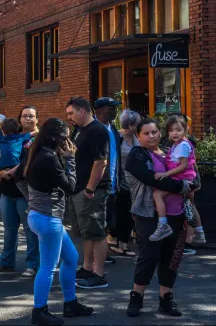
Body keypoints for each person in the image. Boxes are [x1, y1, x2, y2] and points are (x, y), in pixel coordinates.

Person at [17, 118, 94, 325]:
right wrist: (71, 159)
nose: (67, 143)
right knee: (48, 267)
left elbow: (17, 176)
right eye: (65, 138)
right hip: (47, 218)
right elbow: (70, 186)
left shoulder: (35, 151)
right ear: (55, 138)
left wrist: (32, 199)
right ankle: (39, 310)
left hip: (42, 216)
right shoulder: (48, 158)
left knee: (71, 258)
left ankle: (70, 303)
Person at [124, 117, 195, 318]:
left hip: (175, 213)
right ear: (138, 136)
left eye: (154, 132)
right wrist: (183, 186)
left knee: (171, 258)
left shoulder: (170, 152)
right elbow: (150, 179)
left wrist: (192, 182)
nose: (151, 136)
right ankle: (136, 298)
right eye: (146, 133)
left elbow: (191, 171)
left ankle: (166, 299)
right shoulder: (136, 155)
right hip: (148, 214)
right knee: (149, 256)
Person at [65, 97, 110, 289]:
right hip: (77, 188)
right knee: (85, 232)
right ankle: (87, 267)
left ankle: (99, 274)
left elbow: (100, 162)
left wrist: (90, 189)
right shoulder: (79, 130)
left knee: (97, 232)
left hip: (91, 190)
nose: (69, 117)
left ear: (82, 111)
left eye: (71, 113)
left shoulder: (97, 130)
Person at [0, 117, 39, 277]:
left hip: (24, 191)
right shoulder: (15, 139)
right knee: (9, 229)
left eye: (31, 116)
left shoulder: (31, 142)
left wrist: (11, 171)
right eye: (24, 116)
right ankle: (6, 261)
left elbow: (27, 161)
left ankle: (32, 264)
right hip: (7, 189)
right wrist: (0, 171)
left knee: (29, 229)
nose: (27, 119)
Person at [149, 116, 203, 242]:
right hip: (185, 179)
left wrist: (166, 174)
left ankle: (162, 224)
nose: (174, 133)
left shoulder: (182, 145)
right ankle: (199, 232)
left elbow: (183, 165)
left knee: (157, 194)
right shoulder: (178, 144)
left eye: (178, 130)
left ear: (185, 129)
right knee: (189, 204)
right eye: (171, 130)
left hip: (182, 180)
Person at [92, 97, 124, 264]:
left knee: (106, 219)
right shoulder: (92, 129)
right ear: (100, 110)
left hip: (113, 182)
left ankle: (102, 253)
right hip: (98, 184)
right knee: (97, 221)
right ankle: (96, 258)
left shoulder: (113, 128)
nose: (114, 111)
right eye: (111, 108)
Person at [109, 109, 141, 257]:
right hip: (119, 180)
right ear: (130, 124)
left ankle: (123, 243)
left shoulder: (136, 139)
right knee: (120, 212)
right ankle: (115, 240)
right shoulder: (118, 137)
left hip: (133, 180)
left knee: (129, 212)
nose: (139, 126)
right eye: (137, 124)